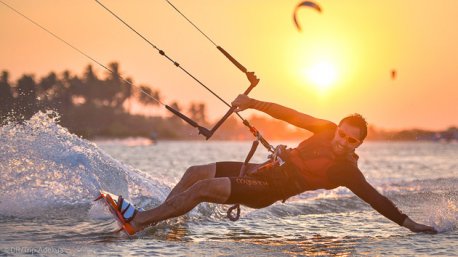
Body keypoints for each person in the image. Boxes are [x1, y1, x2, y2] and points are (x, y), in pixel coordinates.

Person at [128, 94, 436, 234]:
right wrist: (252, 103)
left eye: (351, 141)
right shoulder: (326, 129)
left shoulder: (346, 171)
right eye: (342, 134)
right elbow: (291, 115)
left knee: (204, 188)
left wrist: (408, 223)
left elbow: (375, 198)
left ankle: (140, 221)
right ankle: (158, 222)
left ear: (358, 144)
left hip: (268, 189)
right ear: (338, 128)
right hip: (264, 169)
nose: (342, 141)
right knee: (194, 173)